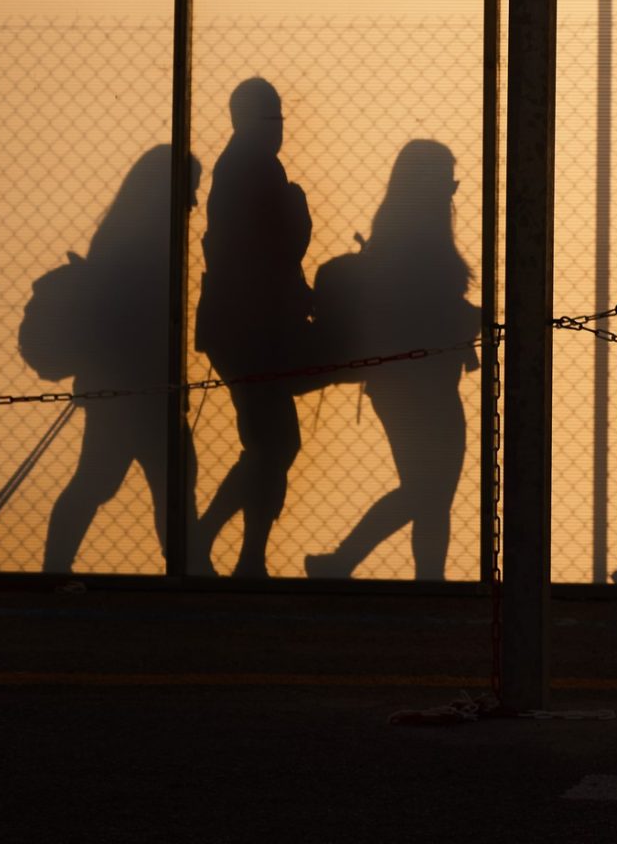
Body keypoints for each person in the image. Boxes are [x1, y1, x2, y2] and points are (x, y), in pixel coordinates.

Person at [305, 141, 478, 582]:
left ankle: (406, 577)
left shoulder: (402, 233)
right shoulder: (415, 239)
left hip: (412, 382)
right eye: (448, 181)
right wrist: (466, 317)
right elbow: (417, 307)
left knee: (430, 491)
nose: (452, 191)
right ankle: (350, 564)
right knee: (430, 491)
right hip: (415, 382)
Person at [42, 145, 198, 574]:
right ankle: (189, 569)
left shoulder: (120, 237)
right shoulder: (147, 245)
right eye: (190, 190)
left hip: (123, 387)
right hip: (138, 390)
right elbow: (142, 322)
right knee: (167, 481)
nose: (194, 203)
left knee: (104, 481)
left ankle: (56, 567)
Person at [192, 78, 316, 578]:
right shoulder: (256, 166)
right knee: (275, 443)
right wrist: (299, 213)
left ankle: (243, 554)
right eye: (274, 118)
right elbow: (277, 248)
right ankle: (224, 545)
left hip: (238, 326)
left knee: (270, 442)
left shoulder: (240, 163)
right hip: (251, 329)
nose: (280, 129)